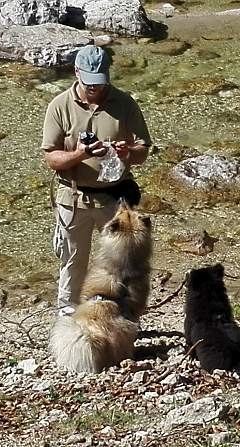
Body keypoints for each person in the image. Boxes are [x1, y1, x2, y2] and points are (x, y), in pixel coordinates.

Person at [41, 45, 152, 316]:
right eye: (90, 83)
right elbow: (52, 159)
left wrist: (128, 152)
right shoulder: (59, 106)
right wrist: (80, 153)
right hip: (73, 198)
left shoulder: (125, 103)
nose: (95, 88)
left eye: (100, 82)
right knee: (73, 260)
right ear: (76, 72)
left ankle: (124, 313)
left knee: (121, 262)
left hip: (115, 200)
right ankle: (69, 313)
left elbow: (142, 152)